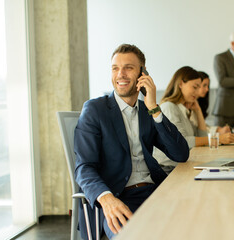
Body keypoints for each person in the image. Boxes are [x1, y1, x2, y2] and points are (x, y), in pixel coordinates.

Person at [74, 44, 189, 239]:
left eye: (128, 67)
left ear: (142, 74)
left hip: (155, 192)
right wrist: (106, 198)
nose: (120, 74)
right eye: (115, 68)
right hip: (118, 198)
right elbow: (84, 167)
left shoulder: (147, 111)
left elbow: (180, 153)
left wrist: (154, 107)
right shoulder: (95, 110)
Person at [153, 66, 234, 171]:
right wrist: (218, 139)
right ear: (181, 84)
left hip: (182, 165)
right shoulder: (169, 107)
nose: (197, 93)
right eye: (195, 87)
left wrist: (198, 111)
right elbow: (183, 142)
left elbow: (202, 136)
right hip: (169, 168)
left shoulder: (184, 110)